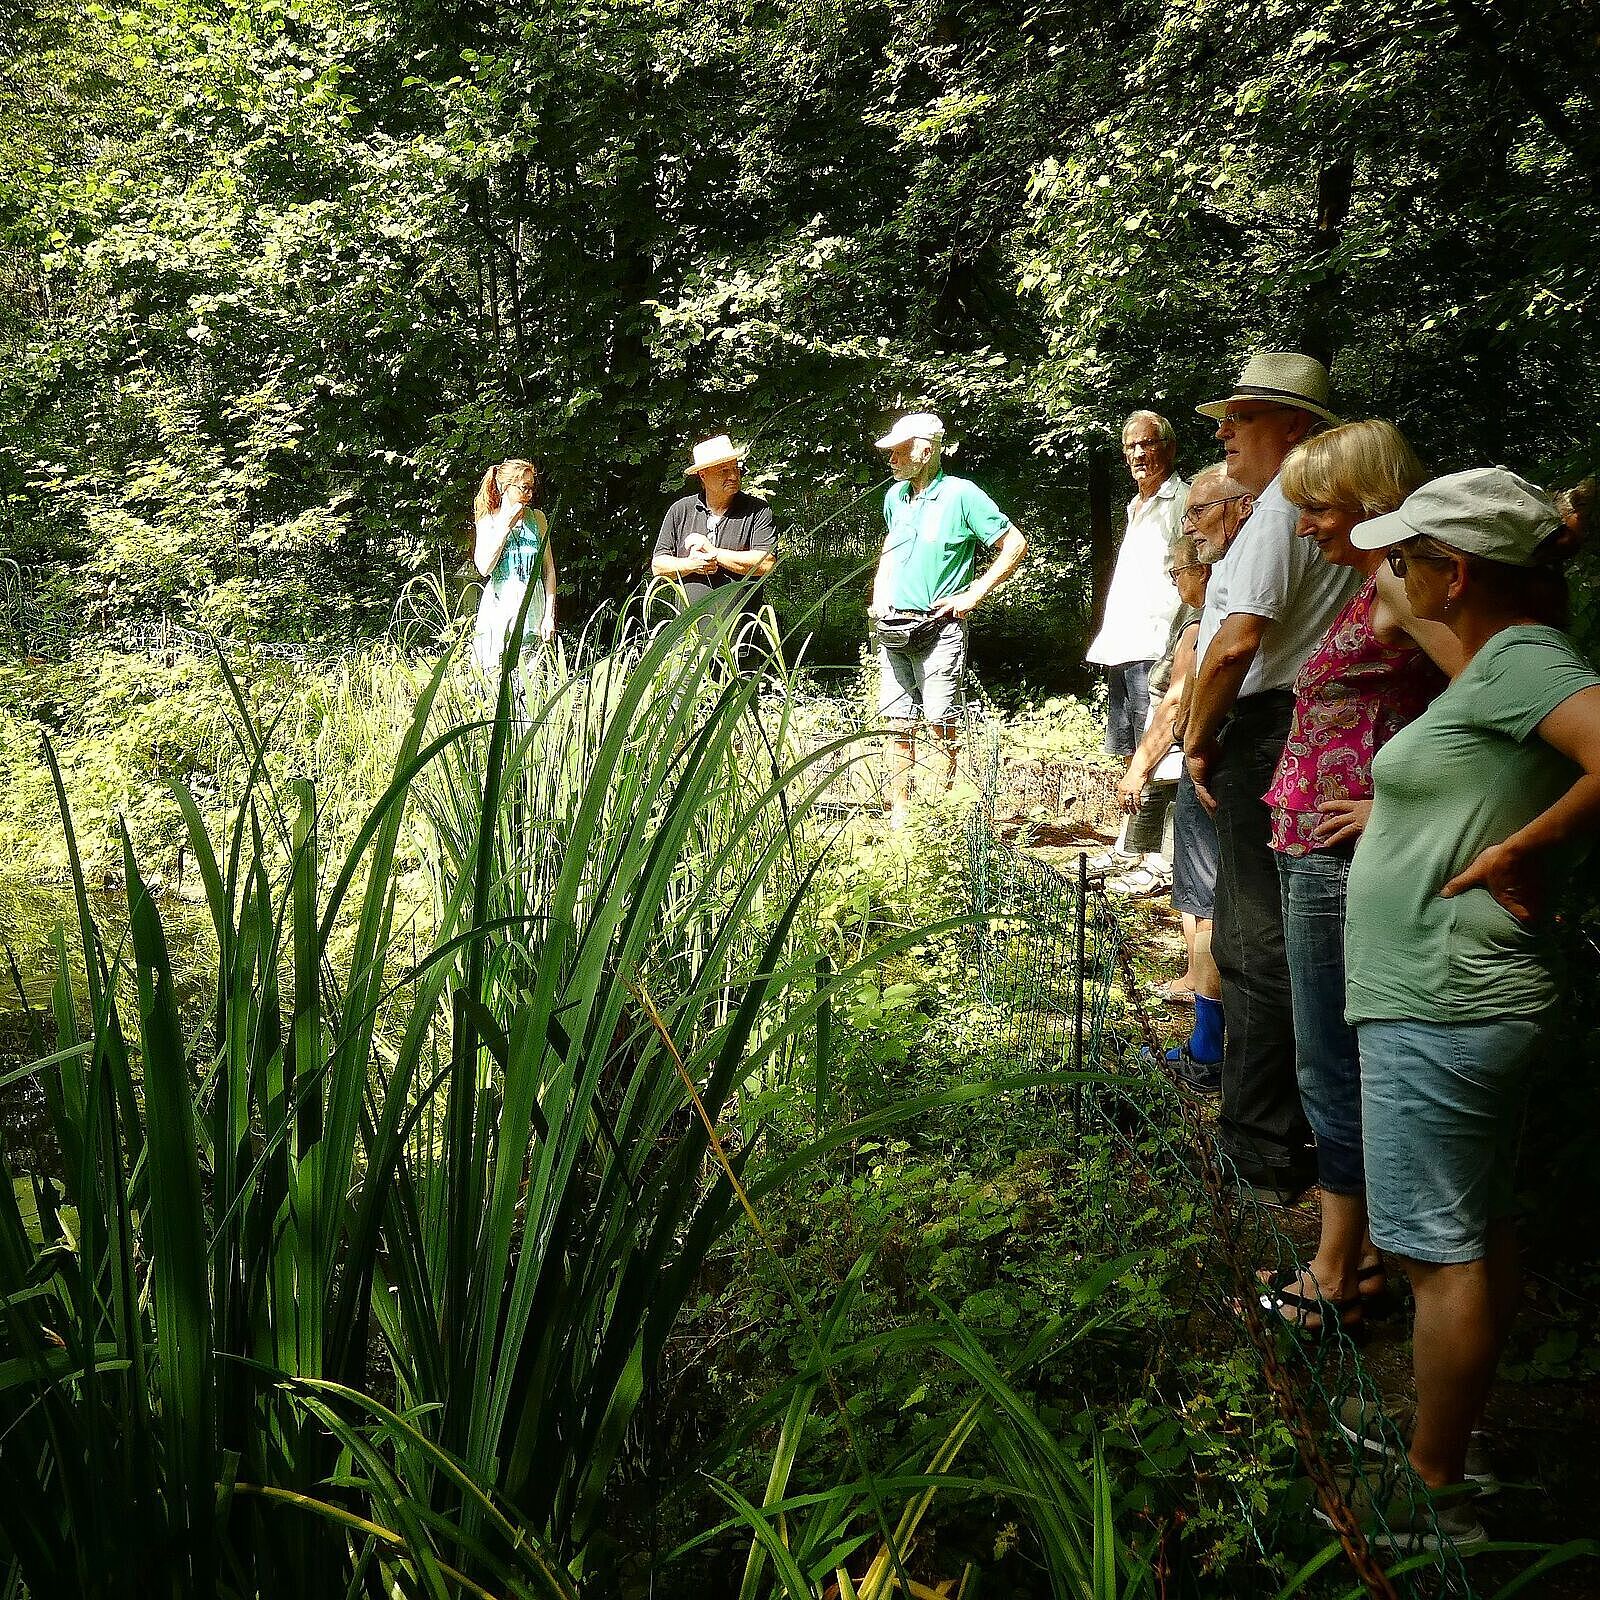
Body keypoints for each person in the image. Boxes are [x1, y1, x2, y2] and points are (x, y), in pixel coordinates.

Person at [1329, 470, 1598, 1553]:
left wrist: (1526, 848)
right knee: (1470, 1235)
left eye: (1406, 558)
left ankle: (1435, 1490)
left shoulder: (1527, 661)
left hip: (1444, 999)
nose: (1389, 574)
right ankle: (1451, 1441)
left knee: (1436, 1252)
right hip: (1448, 993)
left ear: (1458, 570)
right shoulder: (1499, 661)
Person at [1252, 421, 1462, 1333]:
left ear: (1376, 504)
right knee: (1333, 1050)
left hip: (1343, 859)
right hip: (1317, 848)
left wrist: (1398, 809)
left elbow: (1494, 703)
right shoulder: (1380, 579)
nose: (1305, 529)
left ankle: (1342, 1267)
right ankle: (1359, 1250)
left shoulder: (1403, 582)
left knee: (1333, 1056)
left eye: (1319, 510)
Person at [1182, 353, 1361, 1201]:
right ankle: (1304, 1134)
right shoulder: (1332, 502)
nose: (1223, 431)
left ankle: (1261, 1145)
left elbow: (1237, 641)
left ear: (1296, 427)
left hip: (1265, 727)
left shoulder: (1289, 503)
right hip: (1312, 726)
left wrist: (1196, 738)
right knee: (1300, 940)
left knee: (1253, 940)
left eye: (1242, 415)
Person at [869, 412, 1028, 822]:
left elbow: (1014, 543)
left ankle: (941, 818)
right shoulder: (894, 498)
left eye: (898, 451)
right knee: (896, 724)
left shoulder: (962, 495)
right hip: (892, 629)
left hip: (939, 628)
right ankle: (901, 820)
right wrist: (879, 594)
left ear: (925, 450)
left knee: (941, 724)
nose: (891, 460)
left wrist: (975, 592)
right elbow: (892, 546)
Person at [1087, 411, 1188, 876]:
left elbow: (1193, 576)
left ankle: (1160, 859)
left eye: (1147, 444)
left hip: (1158, 643)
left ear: (1168, 447)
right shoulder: (1136, 505)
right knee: (1132, 749)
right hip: (1124, 642)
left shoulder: (1182, 503)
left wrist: (1179, 642)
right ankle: (1133, 846)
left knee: (1161, 751)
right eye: (1130, 447)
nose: (1138, 455)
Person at [652, 434, 777, 628]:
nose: (734, 476)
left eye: (736, 468)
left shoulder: (758, 510)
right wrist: (691, 564)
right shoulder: (680, 510)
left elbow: (766, 563)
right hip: (688, 638)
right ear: (703, 474)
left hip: (739, 640)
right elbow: (659, 566)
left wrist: (715, 554)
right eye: (724, 470)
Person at [472, 458, 556, 675]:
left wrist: (549, 615)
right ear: (504, 487)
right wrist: (505, 527)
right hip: (499, 607)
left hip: (533, 606)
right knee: (494, 674)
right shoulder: (488, 519)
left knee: (531, 678)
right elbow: (484, 568)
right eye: (523, 488)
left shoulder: (538, 519)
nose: (529, 494)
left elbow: (549, 571)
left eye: (531, 488)